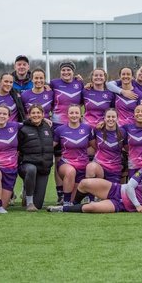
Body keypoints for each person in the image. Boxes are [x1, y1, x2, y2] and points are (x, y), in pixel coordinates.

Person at [47, 160, 142, 213]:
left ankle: (62, 210)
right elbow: (129, 187)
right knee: (84, 183)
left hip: (122, 205)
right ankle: (71, 204)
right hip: (117, 190)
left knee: (90, 208)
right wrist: (138, 205)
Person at [50, 61, 84, 203]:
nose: (66, 73)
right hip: (58, 126)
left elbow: (83, 102)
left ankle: (79, 192)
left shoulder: (79, 84)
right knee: (59, 160)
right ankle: (60, 193)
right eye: (63, 70)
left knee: (77, 157)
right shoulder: (53, 83)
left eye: (68, 70)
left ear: (73, 72)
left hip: (75, 126)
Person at [54, 105, 94, 206]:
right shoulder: (60, 130)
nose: (74, 115)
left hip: (83, 165)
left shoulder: (87, 128)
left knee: (75, 202)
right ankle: (66, 202)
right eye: (71, 113)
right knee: (70, 171)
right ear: (67, 115)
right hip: (66, 164)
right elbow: (51, 146)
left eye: (76, 113)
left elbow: (95, 146)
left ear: (81, 115)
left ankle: (90, 198)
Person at [18, 104, 54, 211]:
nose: (36, 115)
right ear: (29, 115)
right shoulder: (23, 129)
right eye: (33, 113)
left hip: (44, 168)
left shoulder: (48, 127)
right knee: (31, 169)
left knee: (38, 205)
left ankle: (28, 194)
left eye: (38, 113)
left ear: (43, 115)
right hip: (28, 165)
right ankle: (29, 201)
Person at [86, 109, 127, 183]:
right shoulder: (97, 130)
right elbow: (92, 143)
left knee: (111, 193)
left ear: (117, 118)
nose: (110, 119)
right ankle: (90, 194)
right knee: (90, 167)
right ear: (104, 118)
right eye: (108, 117)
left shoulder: (123, 132)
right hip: (99, 165)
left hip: (114, 169)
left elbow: (127, 148)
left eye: (113, 117)